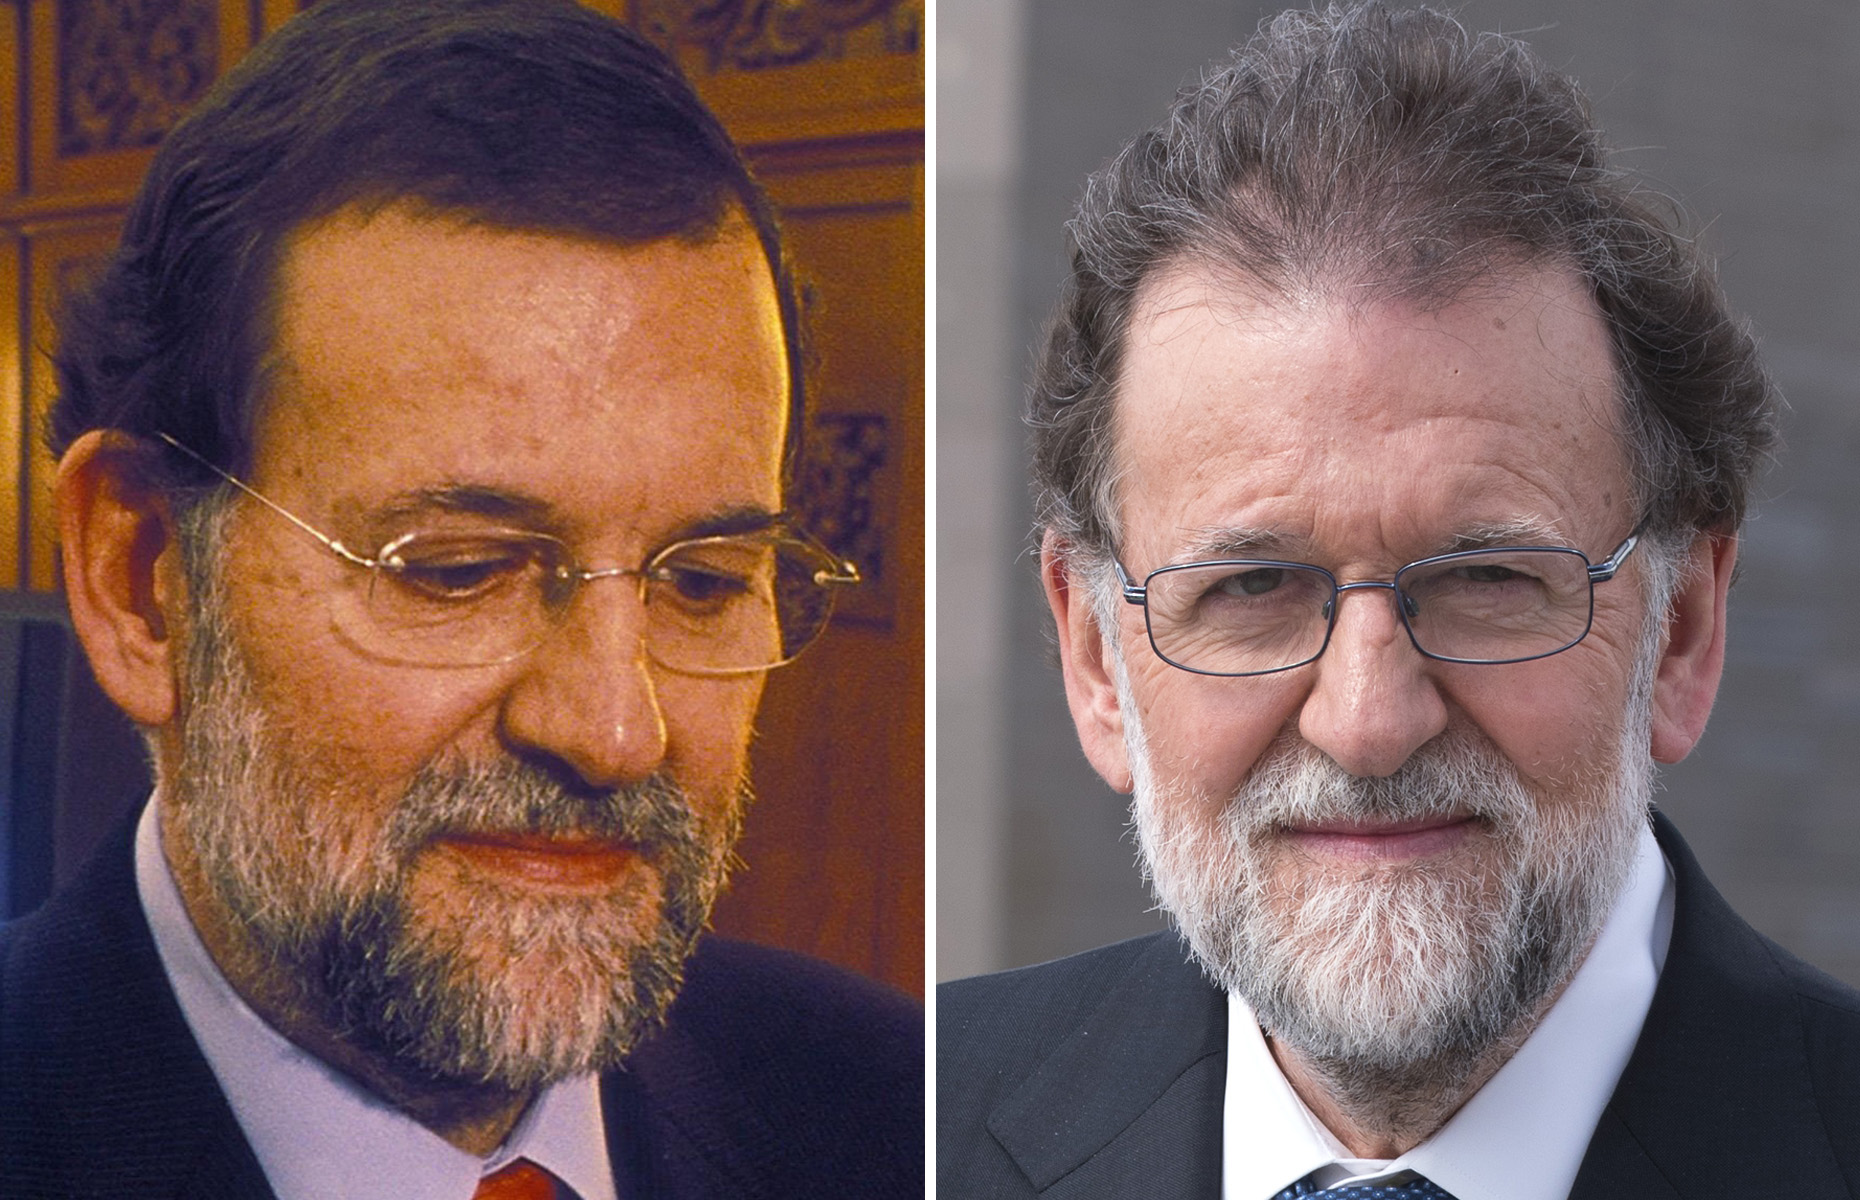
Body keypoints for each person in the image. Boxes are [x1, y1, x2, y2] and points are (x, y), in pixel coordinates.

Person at [0, 2, 922, 1197]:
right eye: (458, 572)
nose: (614, 730)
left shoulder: (900, 1107)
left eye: (701, 580)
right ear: (144, 584)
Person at [938, 4, 1860, 1197]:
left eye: (1485, 579)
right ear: (1095, 658)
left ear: (1681, 631)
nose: (1368, 723)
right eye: (1253, 586)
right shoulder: (897, 1124)